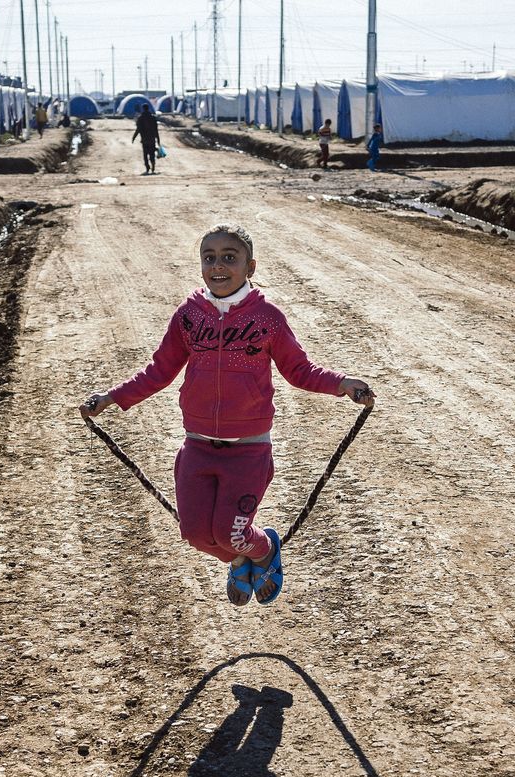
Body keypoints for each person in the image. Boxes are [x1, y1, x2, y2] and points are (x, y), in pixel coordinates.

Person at [79, 224, 375, 606]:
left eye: (229, 258)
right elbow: (158, 371)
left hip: (248, 451)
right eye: (210, 258)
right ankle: (243, 558)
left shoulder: (267, 318)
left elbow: (299, 369)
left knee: (231, 531)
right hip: (197, 446)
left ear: (250, 266)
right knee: (196, 534)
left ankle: (263, 548)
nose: (218, 266)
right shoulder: (188, 316)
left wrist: (343, 383)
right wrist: (110, 398)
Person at [132, 103, 161, 174]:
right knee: (152, 154)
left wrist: (134, 137)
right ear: (148, 108)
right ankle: (153, 165)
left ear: (143, 109)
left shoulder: (141, 118)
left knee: (145, 155)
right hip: (152, 139)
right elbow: (156, 130)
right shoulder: (153, 118)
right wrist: (158, 139)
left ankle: (147, 168)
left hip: (144, 140)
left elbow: (138, 129)